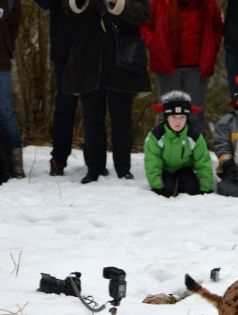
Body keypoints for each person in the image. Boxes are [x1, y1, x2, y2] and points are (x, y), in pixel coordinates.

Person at [64, 0, 151, 184]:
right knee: (92, 118)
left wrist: (117, 3)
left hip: (122, 60)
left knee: (121, 117)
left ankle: (123, 168)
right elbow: (69, 13)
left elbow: (142, 14)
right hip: (88, 61)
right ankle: (94, 167)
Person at [140, 0, 223, 137]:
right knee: (167, 113)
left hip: (197, 67)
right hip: (166, 65)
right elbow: (146, 25)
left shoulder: (207, 3)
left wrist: (211, 48)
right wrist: (154, 44)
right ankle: (164, 153)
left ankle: (197, 155)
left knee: (194, 114)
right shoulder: (158, 2)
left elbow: (217, 28)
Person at [34, 0, 79, 176]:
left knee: (94, 106)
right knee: (65, 103)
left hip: (94, 47)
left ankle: (95, 161)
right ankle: (59, 158)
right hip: (64, 48)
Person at [144, 90, 213, 197]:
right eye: (173, 117)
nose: (178, 121)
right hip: (165, 169)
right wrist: (157, 186)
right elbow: (152, 162)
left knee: (192, 188)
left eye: (182, 117)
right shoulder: (156, 135)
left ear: (187, 118)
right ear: (167, 118)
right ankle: (170, 184)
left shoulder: (194, 136)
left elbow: (202, 161)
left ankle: (181, 183)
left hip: (184, 169)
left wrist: (206, 187)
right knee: (168, 190)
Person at [0, 0, 23, 179]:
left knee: (6, 111)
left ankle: (16, 163)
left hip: (1, 62)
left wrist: (7, 49)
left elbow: (14, 25)